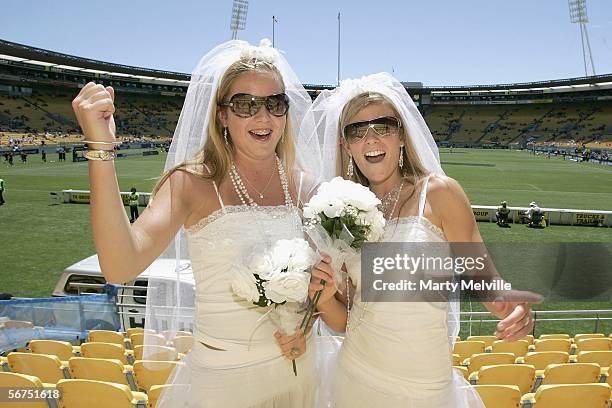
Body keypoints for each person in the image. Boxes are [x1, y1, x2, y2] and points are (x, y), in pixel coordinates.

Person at [72, 39, 323, 407]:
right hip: (223, 382)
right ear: (222, 115)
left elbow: (325, 283)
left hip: (296, 373)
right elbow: (119, 264)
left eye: (274, 104)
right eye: (244, 105)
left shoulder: (305, 187)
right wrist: (101, 150)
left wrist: (307, 323)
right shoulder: (189, 183)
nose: (263, 117)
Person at [305, 73, 541, 407]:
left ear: (401, 135)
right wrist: (323, 298)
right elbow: (345, 320)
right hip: (355, 379)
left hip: (425, 388)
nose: (371, 139)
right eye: (357, 131)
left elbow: (483, 278)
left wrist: (512, 305)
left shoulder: (441, 193)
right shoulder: (339, 214)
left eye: (383, 126)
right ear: (346, 145)